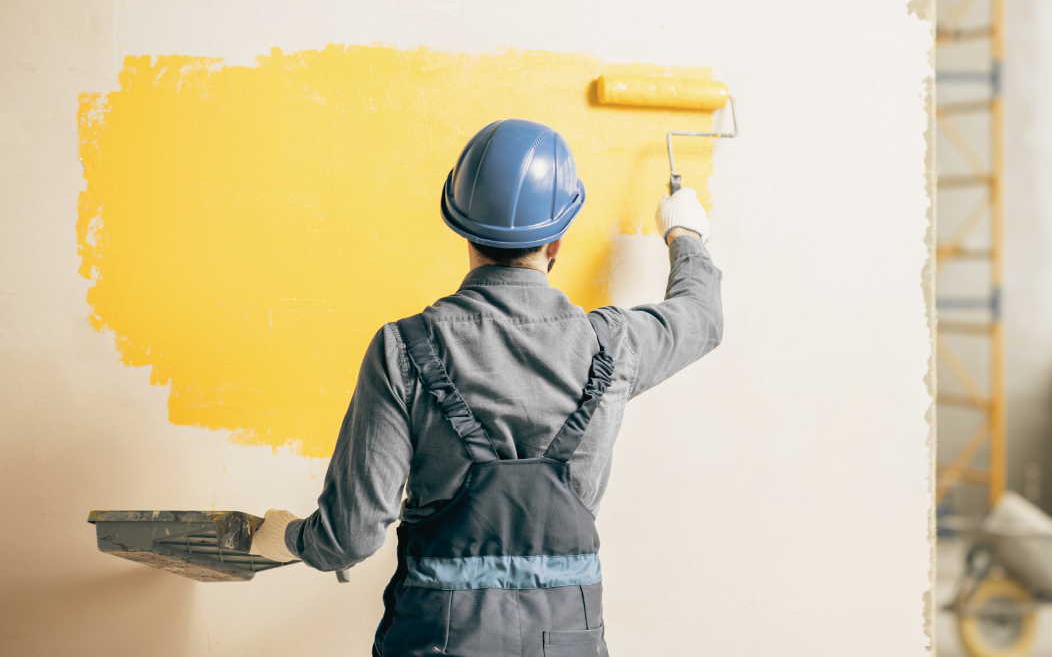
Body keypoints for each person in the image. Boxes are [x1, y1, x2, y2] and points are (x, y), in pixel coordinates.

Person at [251, 118, 723, 657]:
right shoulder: (614, 347)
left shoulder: (404, 348)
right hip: (566, 640)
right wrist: (684, 232)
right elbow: (702, 317)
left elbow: (348, 539)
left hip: (435, 641)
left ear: (462, 227)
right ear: (558, 240)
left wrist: (286, 536)